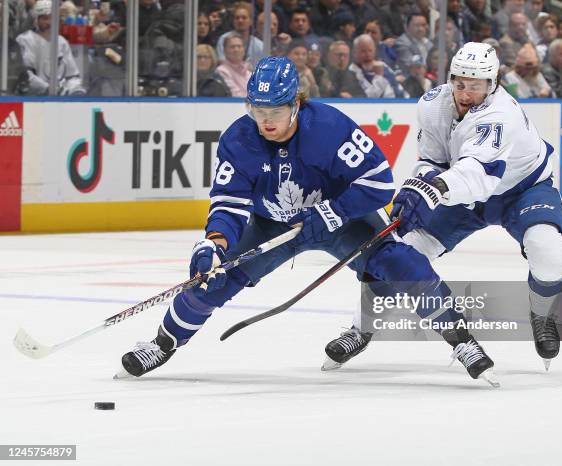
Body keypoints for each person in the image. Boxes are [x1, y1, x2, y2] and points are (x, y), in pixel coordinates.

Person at [118, 56, 496, 386]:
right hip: (273, 225)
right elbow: (229, 203)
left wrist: (332, 213)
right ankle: (163, 342)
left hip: (342, 219)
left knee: (403, 265)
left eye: (275, 111)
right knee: (212, 281)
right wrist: (214, 242)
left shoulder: (329, 128)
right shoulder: (238, 140)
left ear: (295, 103)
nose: (265, 121)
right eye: (257, 110)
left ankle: (461, 339)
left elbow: (379, 183)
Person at [326, 42, 562, 371]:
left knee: (548, 251)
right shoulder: (432, 104)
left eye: (475, 86)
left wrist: (431, 190)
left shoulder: (501, 114)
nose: (465, 94)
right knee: (401, 253)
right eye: (459, 83)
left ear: (492, 83)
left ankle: (542, 312)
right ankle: (362, 327)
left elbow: (477, 173)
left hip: (522, 189)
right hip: (462, 195)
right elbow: (432, 161)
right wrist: (419, 186)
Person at [16, 0, 86, 96]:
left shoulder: (61, 42)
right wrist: (49, 89)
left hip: (60, 98)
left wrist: (74, 89)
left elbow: (72, 75)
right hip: (33, 99)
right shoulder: (25, 39)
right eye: (45, 18)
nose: (49, 22)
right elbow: (26, 76)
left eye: (53, 18)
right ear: (36, 20)